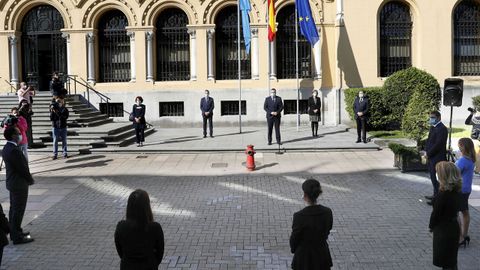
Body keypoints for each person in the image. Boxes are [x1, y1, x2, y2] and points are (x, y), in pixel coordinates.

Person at [115, 189, 164, 270]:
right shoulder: (155, 228)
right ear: (147, 207)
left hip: (127, 266)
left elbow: (120, 250)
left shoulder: (121, 226)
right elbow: (160, 253)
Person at [1, 127, 34, 245]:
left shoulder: (7, 147)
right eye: (18, 133)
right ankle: (16, 237)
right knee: (18, 210)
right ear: (13, 136)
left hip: (13, 183)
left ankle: (16, 230)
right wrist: (30, 179)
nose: (20, 135)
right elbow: (22, 168)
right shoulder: (13, 150)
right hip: (18, 184)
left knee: (14, 209)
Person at [290, 179, 333, 270]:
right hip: (322, 255)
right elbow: (328, 230)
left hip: (304, 258)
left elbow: (294, 238)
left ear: (305, 195)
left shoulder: (299, 216)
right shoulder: (327, 212)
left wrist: (294, 250)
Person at [429, 161, 461, 270]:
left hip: (444, 230)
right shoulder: (455, 191)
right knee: (451, 260)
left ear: (443, 176)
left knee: (446, 260)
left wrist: (431, 227)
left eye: (437, 172)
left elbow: (436, 214)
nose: (436, 174)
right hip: (453, 227)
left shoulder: (443, 195)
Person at [424, 111, 448, 206]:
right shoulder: (433, 127)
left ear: (439, 118)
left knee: (437, 179)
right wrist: (426, 150)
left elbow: (438, 144)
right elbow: (430, 140)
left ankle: (437, 200)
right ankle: (435, 195)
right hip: (431, 157)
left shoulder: (442, 129)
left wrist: (429, 153)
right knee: (433, 178)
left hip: (437, 157)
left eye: (433, 117)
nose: (431, 119)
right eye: (430, 117)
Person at [455, 138, 475, 248]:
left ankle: (460, 237)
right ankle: (465, 234)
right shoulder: (470, 159)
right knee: (465, 211)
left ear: (463, 146)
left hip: (460, 189)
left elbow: (455, 173)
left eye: (459, 146)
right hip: (467, 189)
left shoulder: (463, 160)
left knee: (455, 213)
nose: (458, 148)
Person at [464, 107, 480, 173]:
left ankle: (478, 170)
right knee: (476, 155)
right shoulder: (477, 119)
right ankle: (477, 170)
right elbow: (467, 122)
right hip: (475, 139)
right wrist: (471, 114)